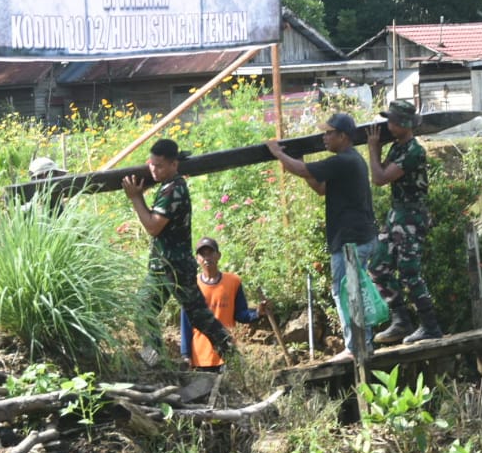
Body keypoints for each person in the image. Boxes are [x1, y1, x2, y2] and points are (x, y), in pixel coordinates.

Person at [267, 112, 378, 362]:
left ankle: (355, 347)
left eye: (329, 133)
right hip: (357, 238)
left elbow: (300, 169)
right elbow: (320, 188)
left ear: (343, 136)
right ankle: (363, 343)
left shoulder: (344, 160)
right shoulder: (348, 162)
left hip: (352, 241)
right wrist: (298, 159)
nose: (324, 137)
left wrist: (278, 153)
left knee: (345, 291)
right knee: (353, 289)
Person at [121, 138, 234, 366]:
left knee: (199, 316)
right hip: (163, 266)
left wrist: (135, 197)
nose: (154, 169)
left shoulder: (174, 189)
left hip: (175, 267)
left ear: (174, 165)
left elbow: (153, 227)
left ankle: (233, 358)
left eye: (160, 165)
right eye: (151, 164)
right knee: (143, 310)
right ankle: (156, 362)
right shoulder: (167, 185)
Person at [366, 99, 442, 344]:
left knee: (410, 271)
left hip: (411, 216)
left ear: (403, 124)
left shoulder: (413, 151)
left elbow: (379, 178)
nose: (387, 124)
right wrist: (377, 150)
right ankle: (401, 321)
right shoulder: (398, 147)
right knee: (378, 266)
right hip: (396, 215)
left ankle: (430, 326)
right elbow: (381, 171)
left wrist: (372, 148)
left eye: (391, 120)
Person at [179, 237, 267, 370]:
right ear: (197, 259)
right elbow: (185, 322)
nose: (207, 258)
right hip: (200, 356)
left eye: (211, 253)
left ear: (218, 255)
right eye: (203, 254)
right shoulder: (191, 286)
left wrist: (257, 313)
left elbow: (240, 313)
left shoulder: (233, 281)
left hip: (227, 353)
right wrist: (186, 354)